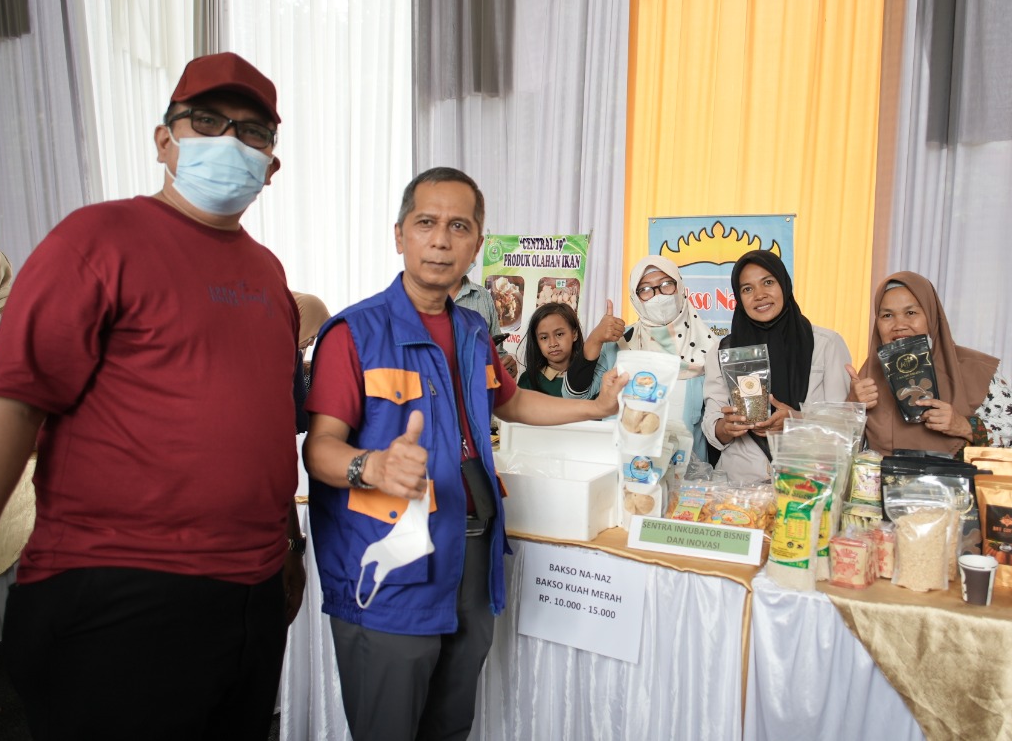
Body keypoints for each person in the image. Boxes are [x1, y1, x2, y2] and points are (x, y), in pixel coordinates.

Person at [0, 52, 306, 739]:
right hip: (119, 592)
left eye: (252, 132)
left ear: (270, 165)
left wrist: (286, 544)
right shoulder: (96, 241)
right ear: (165, 141)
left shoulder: (267, 274)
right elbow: (12, 409)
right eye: (207, 121)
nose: (230, 140)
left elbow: (264, 427)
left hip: (251, 594)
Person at [302, 167, 625, 741]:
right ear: (399, 235)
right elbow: (319, 449)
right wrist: (371, 466)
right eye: (426, 223)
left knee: (451, 724)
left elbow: (511, 400)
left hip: (472, 550)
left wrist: (595, 408)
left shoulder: (474, 329)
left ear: (477, 245)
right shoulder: (354, 333)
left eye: (459, 226)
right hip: (393, 561)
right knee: (388, 727)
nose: (441, 240)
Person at [702, 250, 853, 482]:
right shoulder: (723, 351)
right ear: (739, 298)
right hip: (739, 485)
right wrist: (725, 428)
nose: (759, 295)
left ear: (784, 284)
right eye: (747, 289)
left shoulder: (826, 344)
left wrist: (796, 420)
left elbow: (843, 425)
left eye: (768, 282)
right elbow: (712, 424)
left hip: (806, 482)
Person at [849, 271, 1012, 457]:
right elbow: (841, 449)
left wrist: (963, 425)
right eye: (887, 315)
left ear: (930, 316)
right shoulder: (867, 377)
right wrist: (853, 407)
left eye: (911, 313)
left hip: (958, 476)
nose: (899, 325)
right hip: (883, 476)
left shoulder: (973, 369)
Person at [617, 255, 716, 459]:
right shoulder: (620, 343)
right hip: (633, 470)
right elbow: (577, 396)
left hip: (690, 472)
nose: (658, 296)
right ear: (635, 298)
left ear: (680, 287)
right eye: (645, 289)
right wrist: (593, 343)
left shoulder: (710, 348)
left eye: (666, 284)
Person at [517, 300, 620, 398]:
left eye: (559, 334)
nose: (553, 344)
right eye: (544, 338)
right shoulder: (527, 380)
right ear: (536, 341)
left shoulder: (596, 374)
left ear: (574, 334)